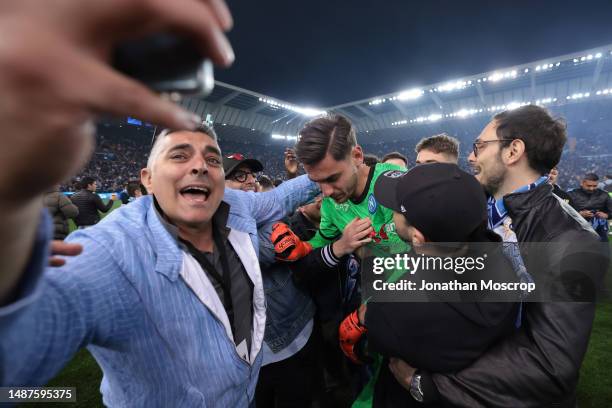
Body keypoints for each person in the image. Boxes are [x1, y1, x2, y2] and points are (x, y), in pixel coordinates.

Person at [1, 124, 319, 405]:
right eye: (179, 156)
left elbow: (280, 199)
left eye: (212, 160)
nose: (200, 167)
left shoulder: (235, 204)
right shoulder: (107, 253)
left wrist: (322, 171)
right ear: (148, 179)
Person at [385, 105, 608, 406]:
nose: (471, 156)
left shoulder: (571, 238)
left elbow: (550, 364)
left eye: (480, 146)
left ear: (513, 150)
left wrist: (428, 384)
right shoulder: (474, 206)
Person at [347, 163, 519, 407]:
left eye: (395, 208)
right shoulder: (503, 265)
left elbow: (373, 331)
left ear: (418, 238)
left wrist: (367, 314)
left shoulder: (396, 309)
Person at [568, 173, 611, 242]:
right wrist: (579, 214)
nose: (592, 188)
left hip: (600, 233)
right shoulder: (571, 194)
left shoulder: (604, 195)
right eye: (589, 186)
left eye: (595, 186)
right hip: (577, 233)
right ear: (582, 183)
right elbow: (563, 212)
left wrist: (606, 215)